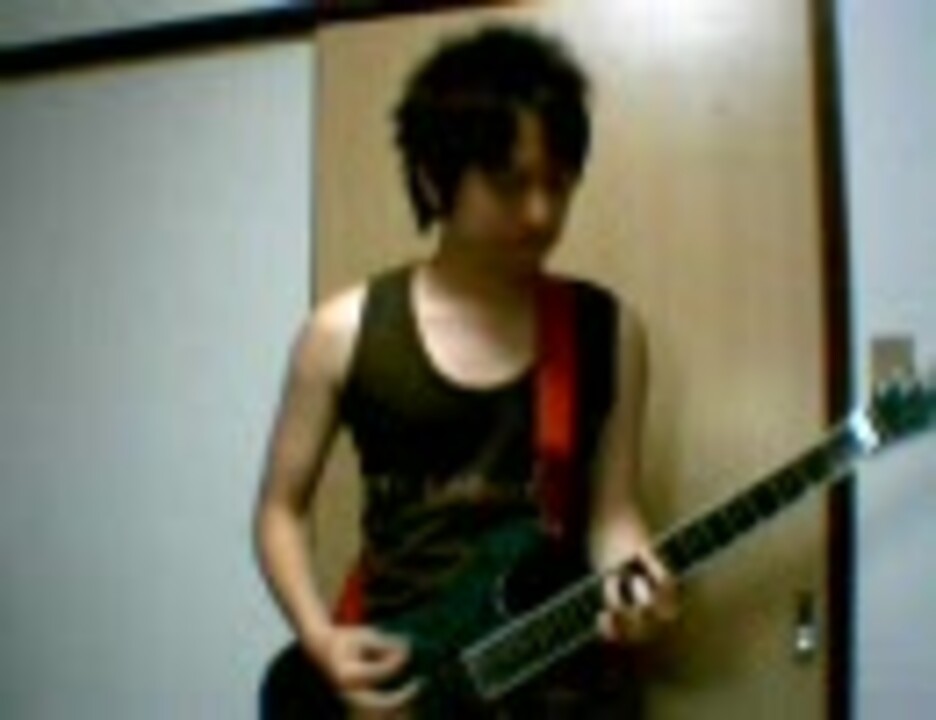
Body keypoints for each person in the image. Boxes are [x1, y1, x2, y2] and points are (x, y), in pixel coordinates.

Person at [254, 25, 677, 719]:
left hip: (562, 690)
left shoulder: (609, 329)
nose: (541, 213)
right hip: (405, 688)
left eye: (558, 184)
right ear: (433, 178)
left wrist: (635, 581)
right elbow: (280, 510)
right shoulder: (340, 333)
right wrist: (319, 638)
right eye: (510, 185)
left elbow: (614, 514)